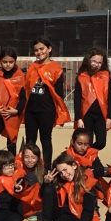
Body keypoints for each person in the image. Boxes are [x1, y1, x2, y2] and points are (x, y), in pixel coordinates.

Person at [24, 37, 70, 167]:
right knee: (30, 140)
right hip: (31, 111)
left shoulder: (56, 68)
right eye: (36, 50)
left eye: (42, 49)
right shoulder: (32, 67)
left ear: (49, 49)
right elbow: (26, 88)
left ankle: (47, 168)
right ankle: (29, 166)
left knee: (45, 139)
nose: (39, 52)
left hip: (47, 110)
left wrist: (57, 111)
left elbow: (59, 94)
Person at [35, 153, 99, 221]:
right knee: (48, 188)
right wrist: (46, 184)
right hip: (59, 211)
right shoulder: (59, 180)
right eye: (60, 172)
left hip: (73, 214)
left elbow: (88, 212)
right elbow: (43, 197)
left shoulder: (87, 184)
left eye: (65, 169)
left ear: (74, 166)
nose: (64, 174)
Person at [0, 47, 26, 154]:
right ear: (0, 61)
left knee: (11, 142)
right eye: (5, 62)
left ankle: (12, 163)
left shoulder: (20, 77)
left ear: (15, 61)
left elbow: (23, 98)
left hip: (12, 114)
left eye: (11, 62)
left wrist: (17, 111)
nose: (8, 64)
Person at [74, 48, 111, 151]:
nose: (96, 64)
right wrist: (78, 118)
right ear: (88, 60)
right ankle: (89, 158)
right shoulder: (81, 77)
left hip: (101, 115)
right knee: (87, 141)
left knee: (101, 142)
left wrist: (110, 117)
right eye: (94, 61)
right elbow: (77, 99)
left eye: (99, 62)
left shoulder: (106, 76)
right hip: (86, 115)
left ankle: (90, 153)